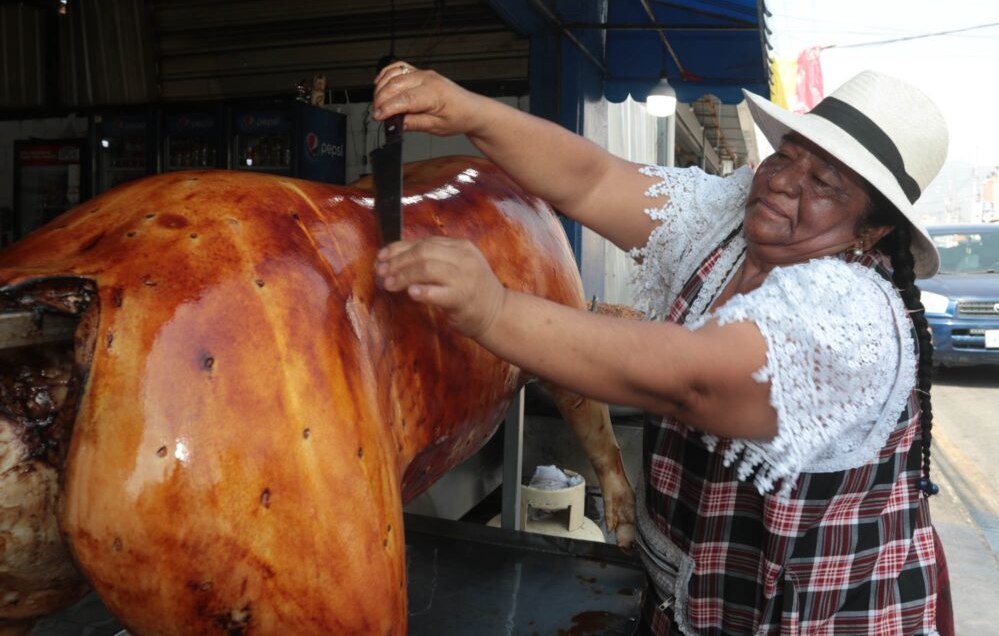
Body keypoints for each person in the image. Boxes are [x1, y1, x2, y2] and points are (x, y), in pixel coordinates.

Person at [372, 63, 954, 635]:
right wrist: (469, 111)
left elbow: (693, 381)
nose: (781, 181)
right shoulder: (727, 222)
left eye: (824, 182)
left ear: (872, 229)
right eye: (786, 155)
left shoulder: (855, 320)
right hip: (689, 591)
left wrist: (494, 311)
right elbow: (593, 180)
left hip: (817, 616)